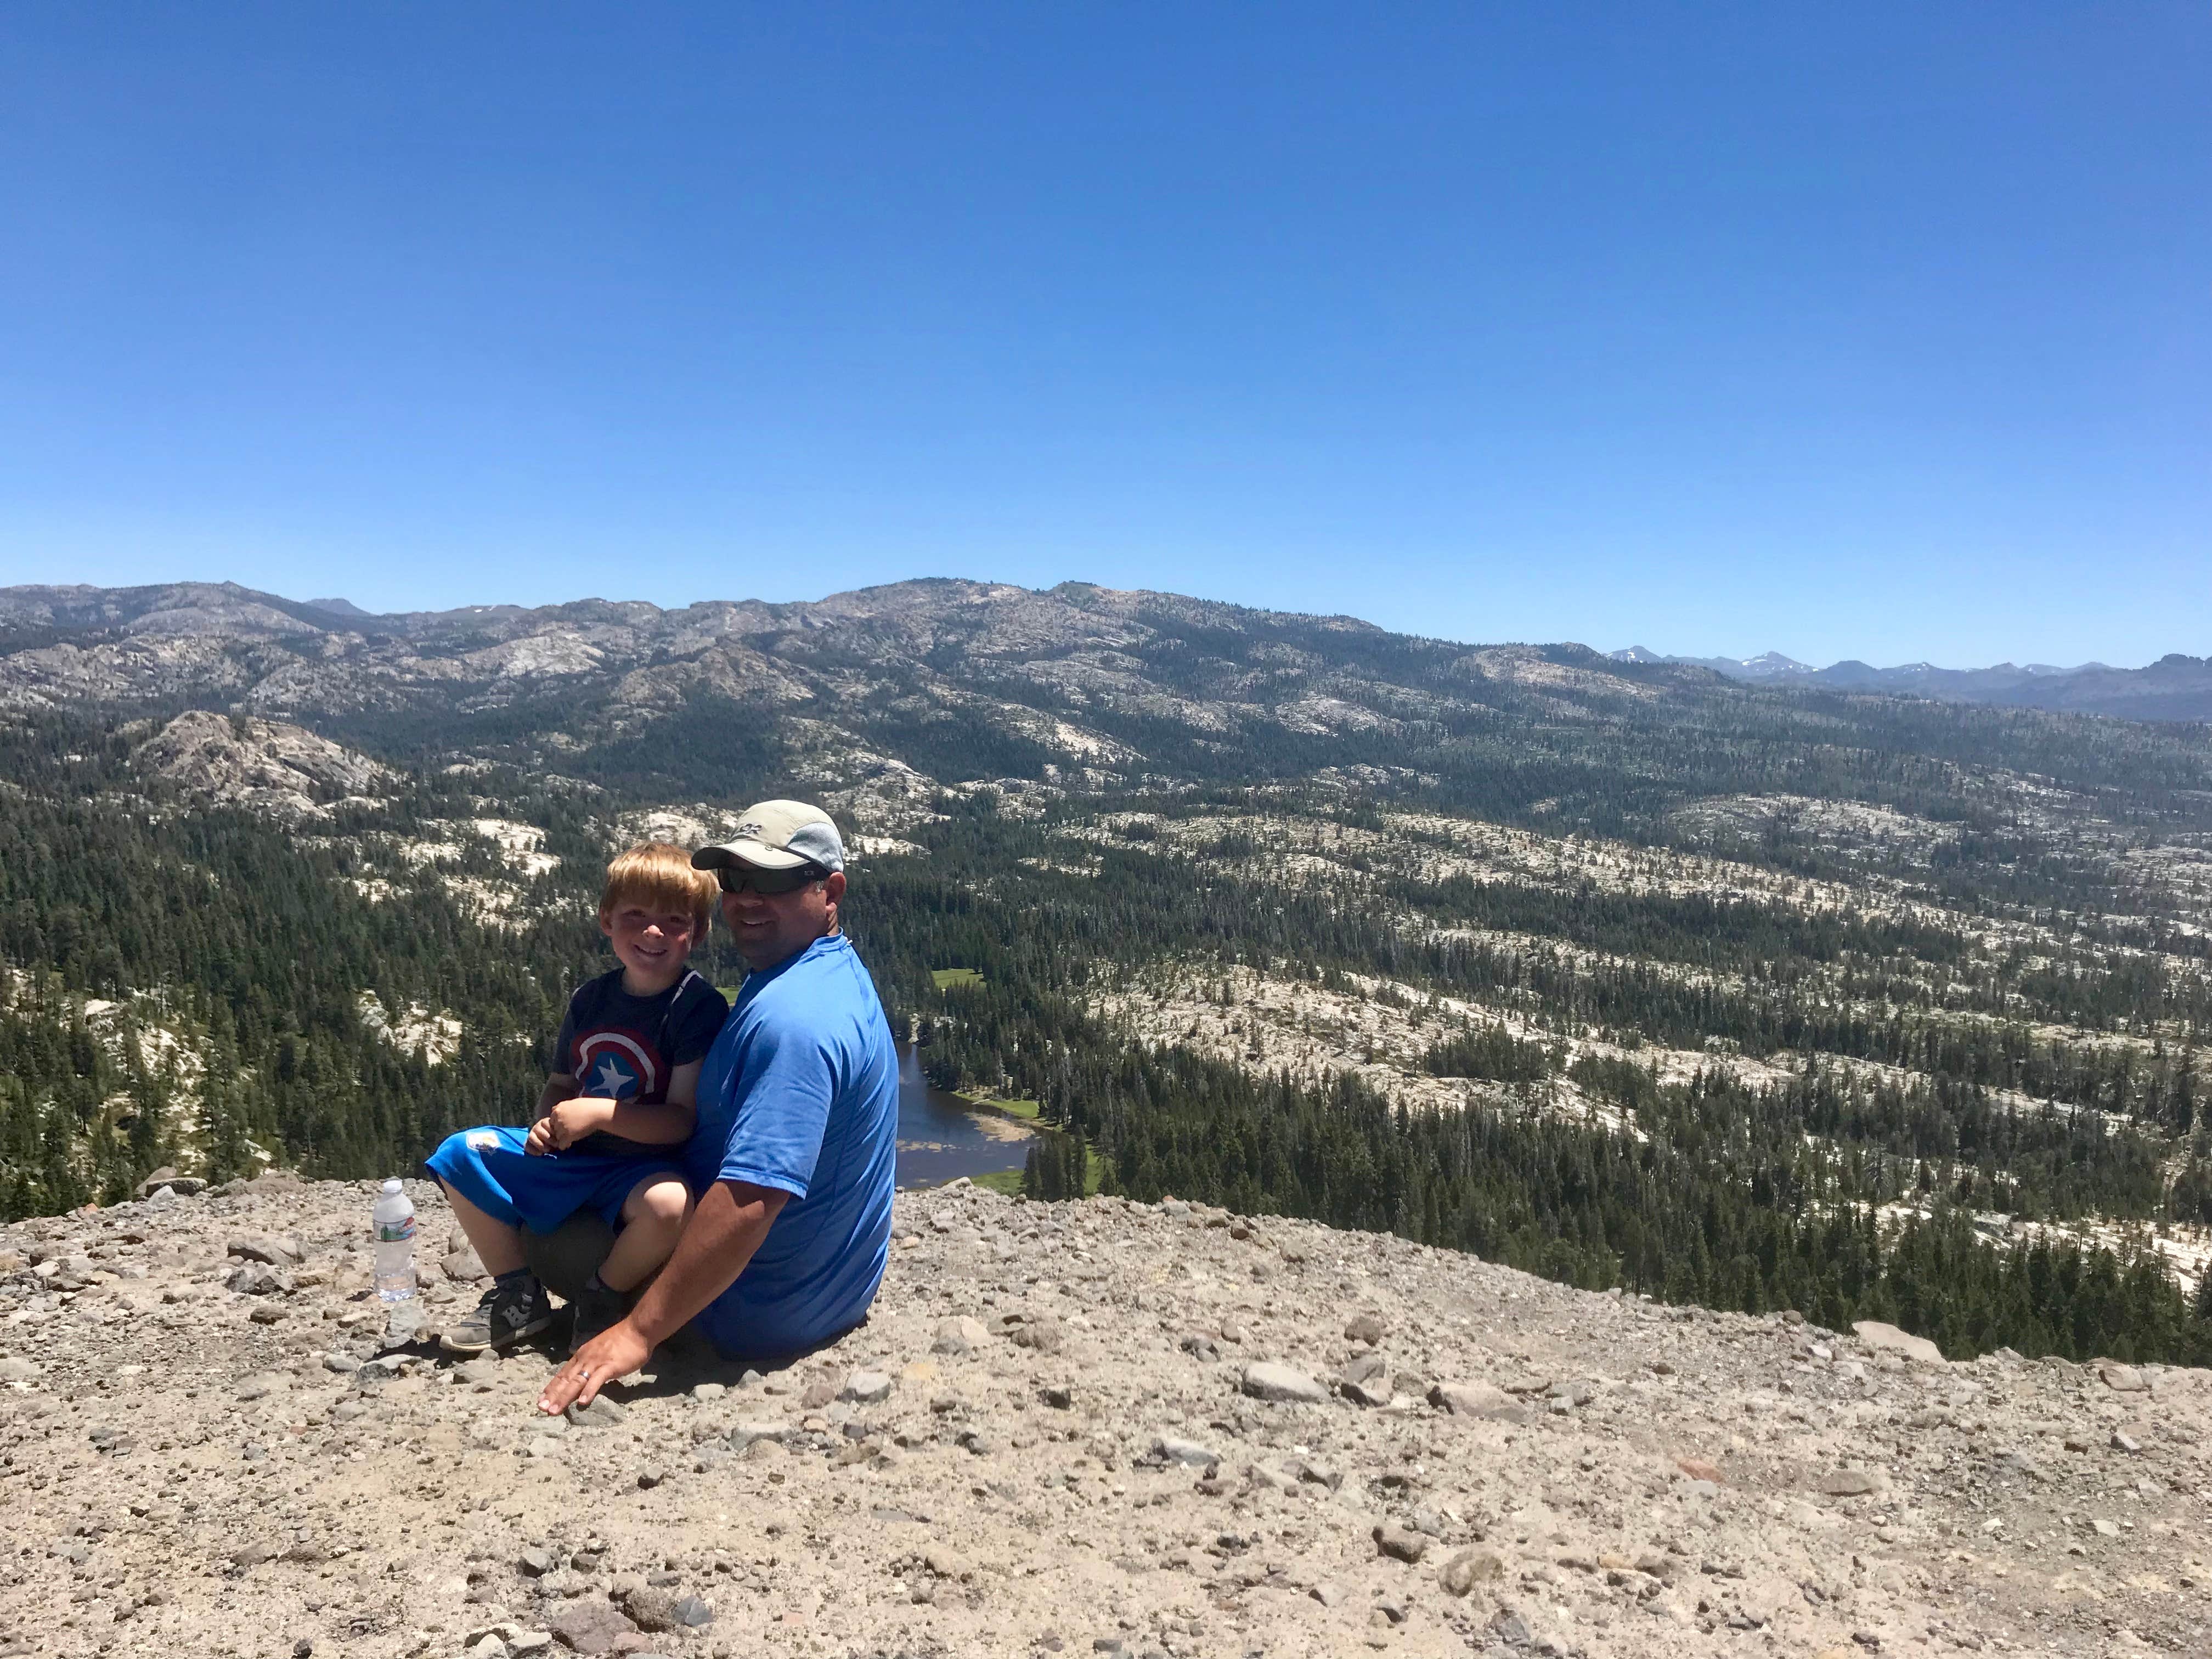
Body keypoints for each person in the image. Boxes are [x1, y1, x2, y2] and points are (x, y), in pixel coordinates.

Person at [537, 799, 898, 1413]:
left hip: (754, 1312)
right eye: (733, 880)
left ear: (830, 890)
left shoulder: (796, 1023)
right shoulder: (821, 971)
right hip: (831, 1288)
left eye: (774, 881)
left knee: (540, 1223)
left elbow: (753, 1198)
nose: (746, 900)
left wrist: (639, 1333)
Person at [426, 842, 728, 1356]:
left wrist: (602, 1114)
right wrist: (546, 1122)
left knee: (671, 1206)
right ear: (607, 920)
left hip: (641, 1167)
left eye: (674, 919)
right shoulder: (590, 999)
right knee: (459, 1153)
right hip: (573, 1156)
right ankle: (518, 1295)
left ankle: (602, 1298)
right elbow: (562, 1083)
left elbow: (680, 1121)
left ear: (696, 933)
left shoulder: (696, 1007)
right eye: (635, 915)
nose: (653, 931)